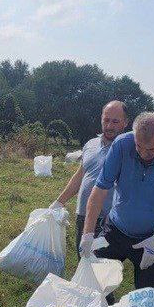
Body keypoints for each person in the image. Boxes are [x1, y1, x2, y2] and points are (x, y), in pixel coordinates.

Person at [79, 111, 154, 290]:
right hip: (115, 230)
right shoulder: (121, 145)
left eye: (152, 150)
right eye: (139, 146)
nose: (144, 153)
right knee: (95, 285)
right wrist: (87, 234)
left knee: (147, 294)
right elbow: (100, 189)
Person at [50, 100, 129, 256]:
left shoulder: (128, 149)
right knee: (83, 262)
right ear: (101, 118)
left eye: (115, 121)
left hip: (110, 220)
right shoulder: (90, 144)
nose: (109, 126)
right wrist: (59, 202)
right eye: (106, 120)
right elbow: (80, 176)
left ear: (125, 122)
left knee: (102, 268)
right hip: (83, 216)